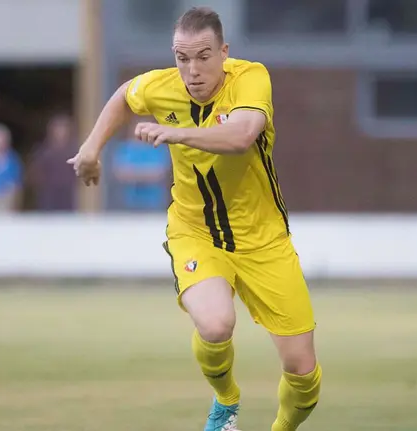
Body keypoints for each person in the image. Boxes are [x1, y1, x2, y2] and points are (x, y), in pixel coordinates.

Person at [68, 7, 321, 431]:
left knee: (304, 377)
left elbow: (241, 135)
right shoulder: (162, 86)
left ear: (224, 52)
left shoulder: (251, 78)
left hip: (263, 239)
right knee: (216, 324)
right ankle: (226, 401)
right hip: (195, 231)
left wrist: (176, 133)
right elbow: (124, 96)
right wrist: (91, 149)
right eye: (182, 58)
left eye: (203, 56)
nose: (192, 70)